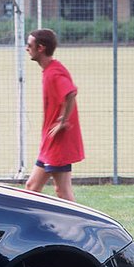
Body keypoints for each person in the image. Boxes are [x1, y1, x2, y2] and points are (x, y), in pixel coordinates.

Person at [24, 28, 84, 201]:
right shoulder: (51, 69)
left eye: (29, 45)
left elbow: (71, 93)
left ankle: (76, 226)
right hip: (51, 142)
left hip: (59, 143)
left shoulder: (53, 73)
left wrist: (62, 122)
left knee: (62, 191)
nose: (27, 48)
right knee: (31, 187)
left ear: (40, 48)